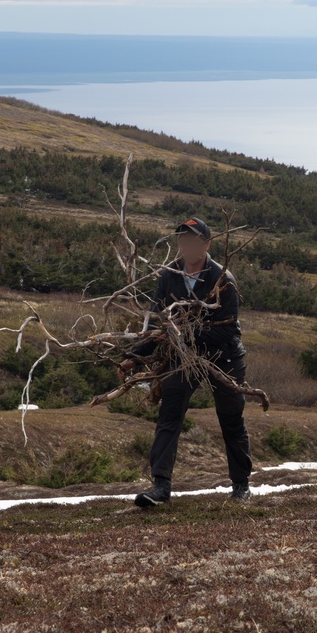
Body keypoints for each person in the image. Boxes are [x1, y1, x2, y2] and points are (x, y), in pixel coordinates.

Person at [117, 217, 253, 507]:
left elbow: (228, 329)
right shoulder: (169, 276)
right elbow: (159, 324)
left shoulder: (223, 279)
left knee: (231, 418)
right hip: (183, 356)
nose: (186, 246)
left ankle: (241, 484)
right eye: (182, 241)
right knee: (170, 414)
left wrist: (186, 333)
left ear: (205, 244)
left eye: (192, 240)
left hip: (222, 355)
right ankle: (161, 487)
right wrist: (135, 357)